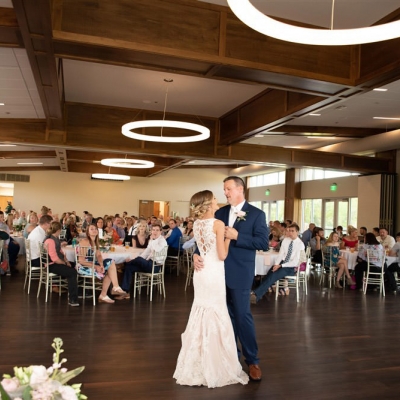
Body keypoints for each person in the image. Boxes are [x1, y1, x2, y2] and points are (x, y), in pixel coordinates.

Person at [193, 176, 269, 381]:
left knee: (242, 316)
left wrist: (238, 237)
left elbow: (263, 242)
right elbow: (205, 237)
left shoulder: (257, 214)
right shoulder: (219, 212)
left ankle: (252, 360)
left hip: (240, 273)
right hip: (216, 273)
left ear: (240, 189)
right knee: (224, 318)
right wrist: (196, 254)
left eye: (228, 189)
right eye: (224, 189)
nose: (225, 193)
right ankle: (231, 358)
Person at [173, 190, 248, 388]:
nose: (218, 200)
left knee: (201, 310)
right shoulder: (218, 224)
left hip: (201, 273)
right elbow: (222, 255)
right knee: (216, 312)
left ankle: (197, 359)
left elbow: (202, 248)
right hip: (213, 272)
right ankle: (215, 362)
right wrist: (229, 238)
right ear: (207, 204)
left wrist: (197, 256)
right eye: (214, 199)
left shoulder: (197, 224)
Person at [251, 223, 304, 302]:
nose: (290, 233)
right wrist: (276, 264)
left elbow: (295, 262)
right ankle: (257, 293)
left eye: (293, 231)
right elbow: (280, 254)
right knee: (269, 273)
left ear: (297, 232)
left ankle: (256, 295)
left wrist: (281, 266)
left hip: (291, 267)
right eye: (289, 231)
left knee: (273, 275)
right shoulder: (286, 240)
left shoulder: (300, 244)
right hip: (282, 263)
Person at [77, 223, 128, 303]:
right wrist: (96, 266)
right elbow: (81, 261)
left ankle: (110, 290)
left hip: (94, 264)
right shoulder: (85, 242)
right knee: (110, 267)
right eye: (92, 229)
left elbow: (99, 256)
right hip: (84, 267)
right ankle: (110, 290)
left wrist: (101, 265)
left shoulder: (95, 242)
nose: (94, 230)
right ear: (87, 232)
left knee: (110, 264)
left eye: (95, 229)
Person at [120, 222, 167, 295]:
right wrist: (136, 260)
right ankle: (125, 291)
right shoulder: (152, 240)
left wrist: (153, 240)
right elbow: (146, 252)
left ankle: (126, 263)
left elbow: (157, 249)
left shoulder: (162, 241)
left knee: (137, 260)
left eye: (157, 230)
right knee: (129, 267)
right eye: (153, 230)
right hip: (147, 264)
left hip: (155, 266)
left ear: (160, 232)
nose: (155, 232)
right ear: (151, 231)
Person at [43, 221, 80, 306]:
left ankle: (78, 290)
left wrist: (66, 261)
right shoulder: (50, 240)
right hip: (51, 265)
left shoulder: (55, 239)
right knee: (72, 272)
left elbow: (60, 252)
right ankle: (72, 299)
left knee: (77, 265)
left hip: (56, 262)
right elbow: (54, 258)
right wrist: (64, 263)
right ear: (58, 230)